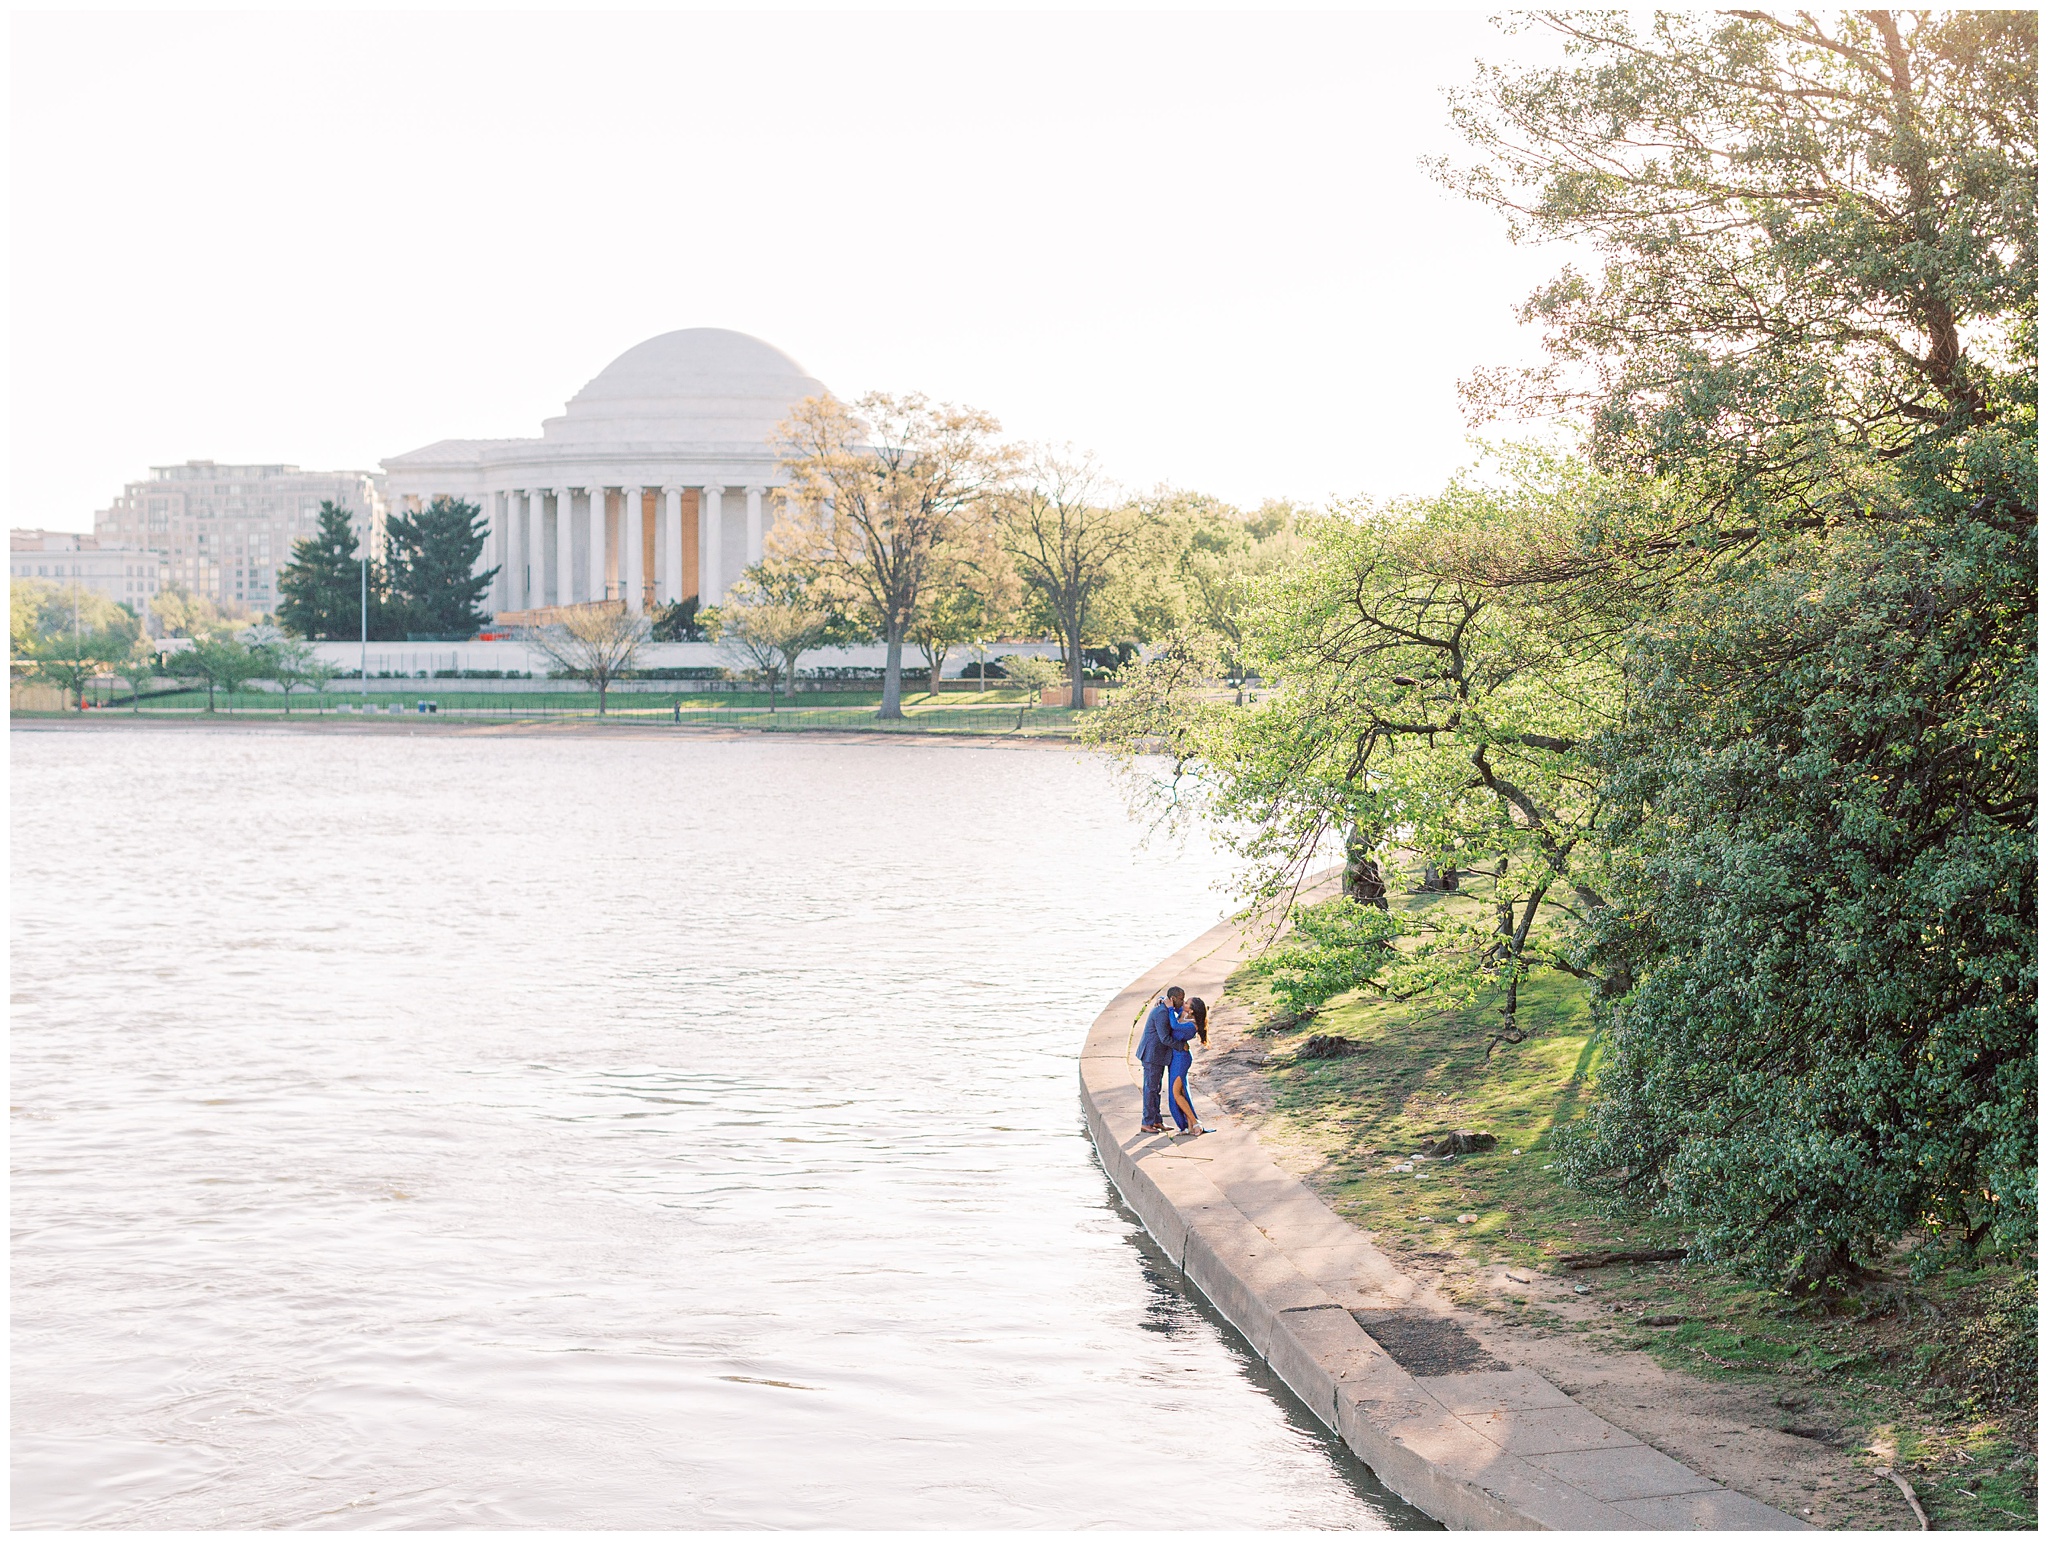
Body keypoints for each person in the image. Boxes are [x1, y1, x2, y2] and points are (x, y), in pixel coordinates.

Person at [1137, 986, 1195, 1133]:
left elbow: (1175, 1013)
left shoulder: (1167, 1007)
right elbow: (1164, 1038)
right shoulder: (1162, 1012)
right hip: (1152, 1055)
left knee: (1156, 1089)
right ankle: (1147, 1122)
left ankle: (1156, 1121)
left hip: (1159, 1055)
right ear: (1174, 999)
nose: (1183, 1002)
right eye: (1181, 999)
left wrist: (1162, 998)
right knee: (1150, 1089)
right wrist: (1181, 1046)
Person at [1166, 996, 1210, 1135]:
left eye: (1186, 1003)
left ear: (1191, 1010)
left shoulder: (1192, 1025)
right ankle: (1188, 1125)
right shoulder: (1184, 1014)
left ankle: (1196, 1123)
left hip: (1181, 1060)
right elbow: (1176, 1005)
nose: (1183, 1003)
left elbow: (1175, 1026)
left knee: (1176, 1093)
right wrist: (1163, 1000)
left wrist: (1169, 1009)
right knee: (1182, 1092)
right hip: (1175, 1057)